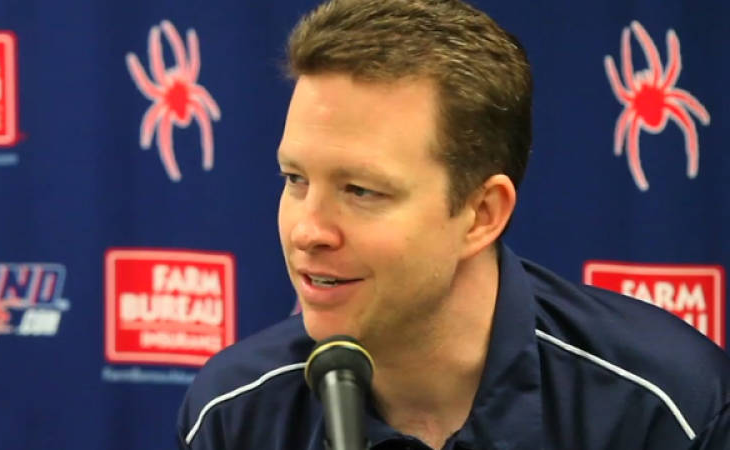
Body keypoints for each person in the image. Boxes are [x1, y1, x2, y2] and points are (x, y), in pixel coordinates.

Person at [177, 0, 730, 448]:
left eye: (361, 191)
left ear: (482, 214)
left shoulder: (665, 410)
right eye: (295, 179)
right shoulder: (234, 414)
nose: (307, 231)